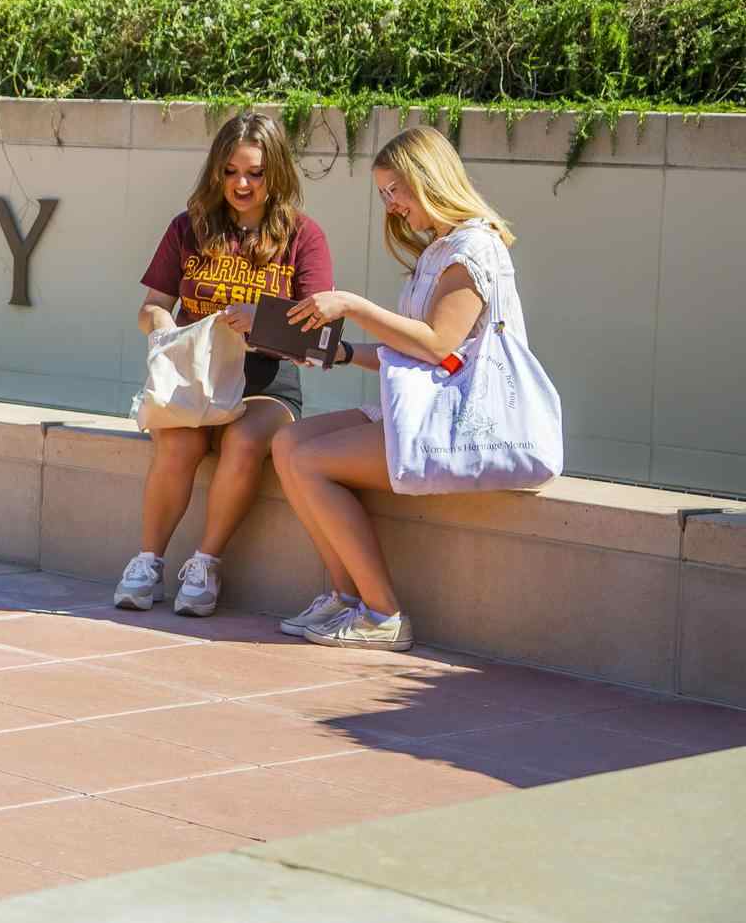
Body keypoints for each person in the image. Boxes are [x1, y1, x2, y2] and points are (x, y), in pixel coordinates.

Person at [270, 125, 521, 652]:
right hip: (424, 408)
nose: (391, 206)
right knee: (287, 443)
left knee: (311, 461)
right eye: (383, 194)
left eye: (394, 191)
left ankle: (384, 613)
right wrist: (336, 352)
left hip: (459, 423)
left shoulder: (473, 247)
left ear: (425, 178)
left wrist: (354, 306)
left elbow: (437, 346)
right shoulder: (439, 250)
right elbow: (419, 352)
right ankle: (346, 597)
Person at [118, 111, 332, 616]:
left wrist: (261, 322)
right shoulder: (187, 227)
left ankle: (206, 562)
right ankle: (148, 561)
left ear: (275, 174)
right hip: (197, 375)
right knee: (179, 439)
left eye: (255, 173)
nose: (241, 183)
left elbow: (320, 334)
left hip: (267, 382)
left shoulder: (303, 236)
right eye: (231, 170)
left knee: (243, 440)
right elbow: (153, 305)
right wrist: (162, 327)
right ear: (216, 169)